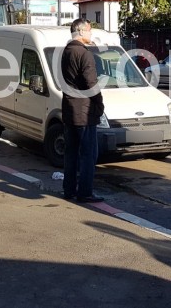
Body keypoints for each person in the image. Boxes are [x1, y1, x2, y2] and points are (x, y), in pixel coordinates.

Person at [60, 19, 104, 203]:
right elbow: (91, 84)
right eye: (89, 30)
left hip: (69, 109)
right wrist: (100, 104)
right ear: (80, 32)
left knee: (71, 153)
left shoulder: (66, 51)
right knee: (88, 154)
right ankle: (85, 192)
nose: (91, 33)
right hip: (84, 112)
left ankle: (69, 189)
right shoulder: (84, 54)